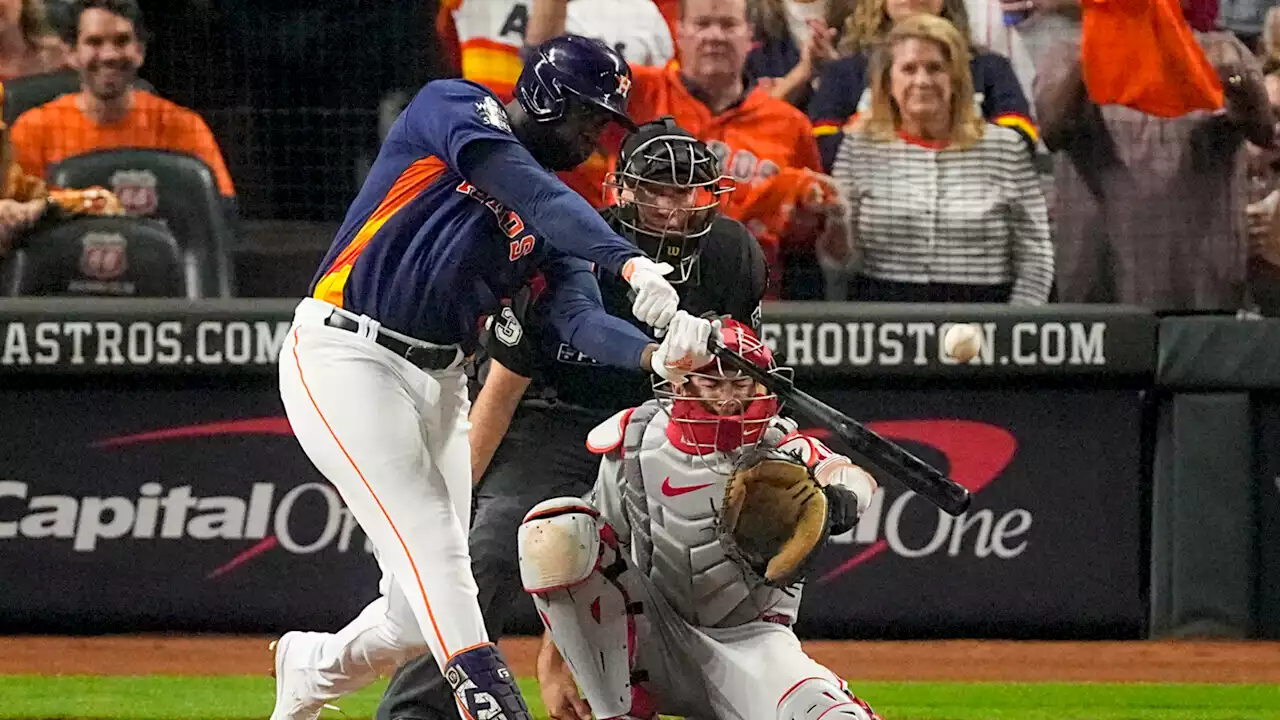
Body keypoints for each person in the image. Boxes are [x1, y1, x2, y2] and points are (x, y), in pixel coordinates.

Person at [271, 35, 716, 720]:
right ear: (543, 94)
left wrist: (659, 357)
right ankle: (490, 701)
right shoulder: (454, 105)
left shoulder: (554, 217)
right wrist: (630, 262)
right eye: (588, 117)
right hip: (344, 354)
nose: (595, 136)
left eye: (604, 123)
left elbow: (579, 319)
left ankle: (315, 667)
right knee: (438, 547)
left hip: (441, 383)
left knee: (420, 613)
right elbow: (526, 189)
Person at [372, 117, 769, 720]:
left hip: (668, 423)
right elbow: (503, 387)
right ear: (623, 191)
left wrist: (560, 650)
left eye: (687, 192)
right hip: (553, 416)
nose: (673, 208)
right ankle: (412, 713)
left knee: (699, 553)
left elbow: (740, 387)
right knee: (490, 550)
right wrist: (451, 505)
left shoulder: (732, 255)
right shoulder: (568, 249)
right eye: (657, 189)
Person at [519, 320, 883, 720]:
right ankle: (614, 712)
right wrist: (554, 664)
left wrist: (843, 498)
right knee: (554, 529)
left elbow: (850, 476)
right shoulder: (635, 439)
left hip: (752, 644)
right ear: (681, 384)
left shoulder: (781, 448)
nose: (729, 398)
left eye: (741, 382)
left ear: (762, 384)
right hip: (649, 637)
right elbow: (584, 559)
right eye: (713, 383)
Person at [828, 14, 1053, 304]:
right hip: (885, 315)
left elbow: (1037, 257)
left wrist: (1013, 329)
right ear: (887, 81)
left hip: (986, 313)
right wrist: (836, 224)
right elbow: (841, 264)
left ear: (957, 78)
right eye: (908, 69)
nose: (922, 80)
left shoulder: (1005, 147)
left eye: (935, 68)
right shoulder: (859, 148)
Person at [7, 0, 235, 197]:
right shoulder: (33, 130)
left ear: (140, 51)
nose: (109, 55)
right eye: (94, 42)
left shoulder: (184, 127)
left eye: (122, 41)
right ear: (72, 54)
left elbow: (217, 218)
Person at [808, 0, 1036, 172]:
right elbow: (818, 151)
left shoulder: (989, 68)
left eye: (935, 68)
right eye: (908, 69)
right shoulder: (846, 72)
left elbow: (1021, 142)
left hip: (969, 204)